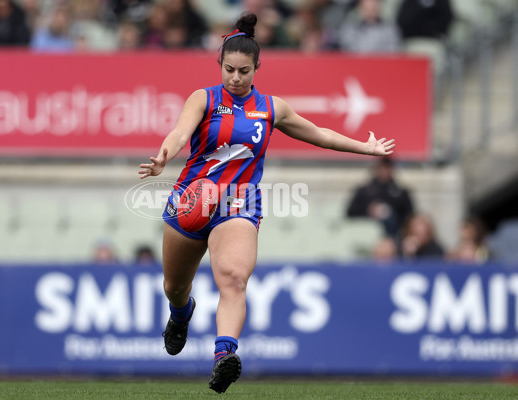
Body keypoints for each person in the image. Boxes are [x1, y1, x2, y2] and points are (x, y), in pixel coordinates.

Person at [138, 12, 394, 394]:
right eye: (229, 69)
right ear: (220, 66)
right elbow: (179, 133)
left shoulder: (272, 108)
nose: (236, 78)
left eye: (244, 70)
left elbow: (319, 135)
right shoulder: (204, 98)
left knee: (235, 279)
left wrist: (365, 147)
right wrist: (163, 157)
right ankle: (181, 314)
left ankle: (224, 355)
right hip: (192, 199)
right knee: (175, 285)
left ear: (257, 67)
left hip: (239, 204)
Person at [346, 157, 413, 237]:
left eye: (387, 168)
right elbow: (350, 212)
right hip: (367, 233)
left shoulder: (400, 192)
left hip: (394, 235)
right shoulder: (364, 191)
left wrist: (390, 212)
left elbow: (409, 215)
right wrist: (369, 210)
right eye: (382, 167)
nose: (384, 171)